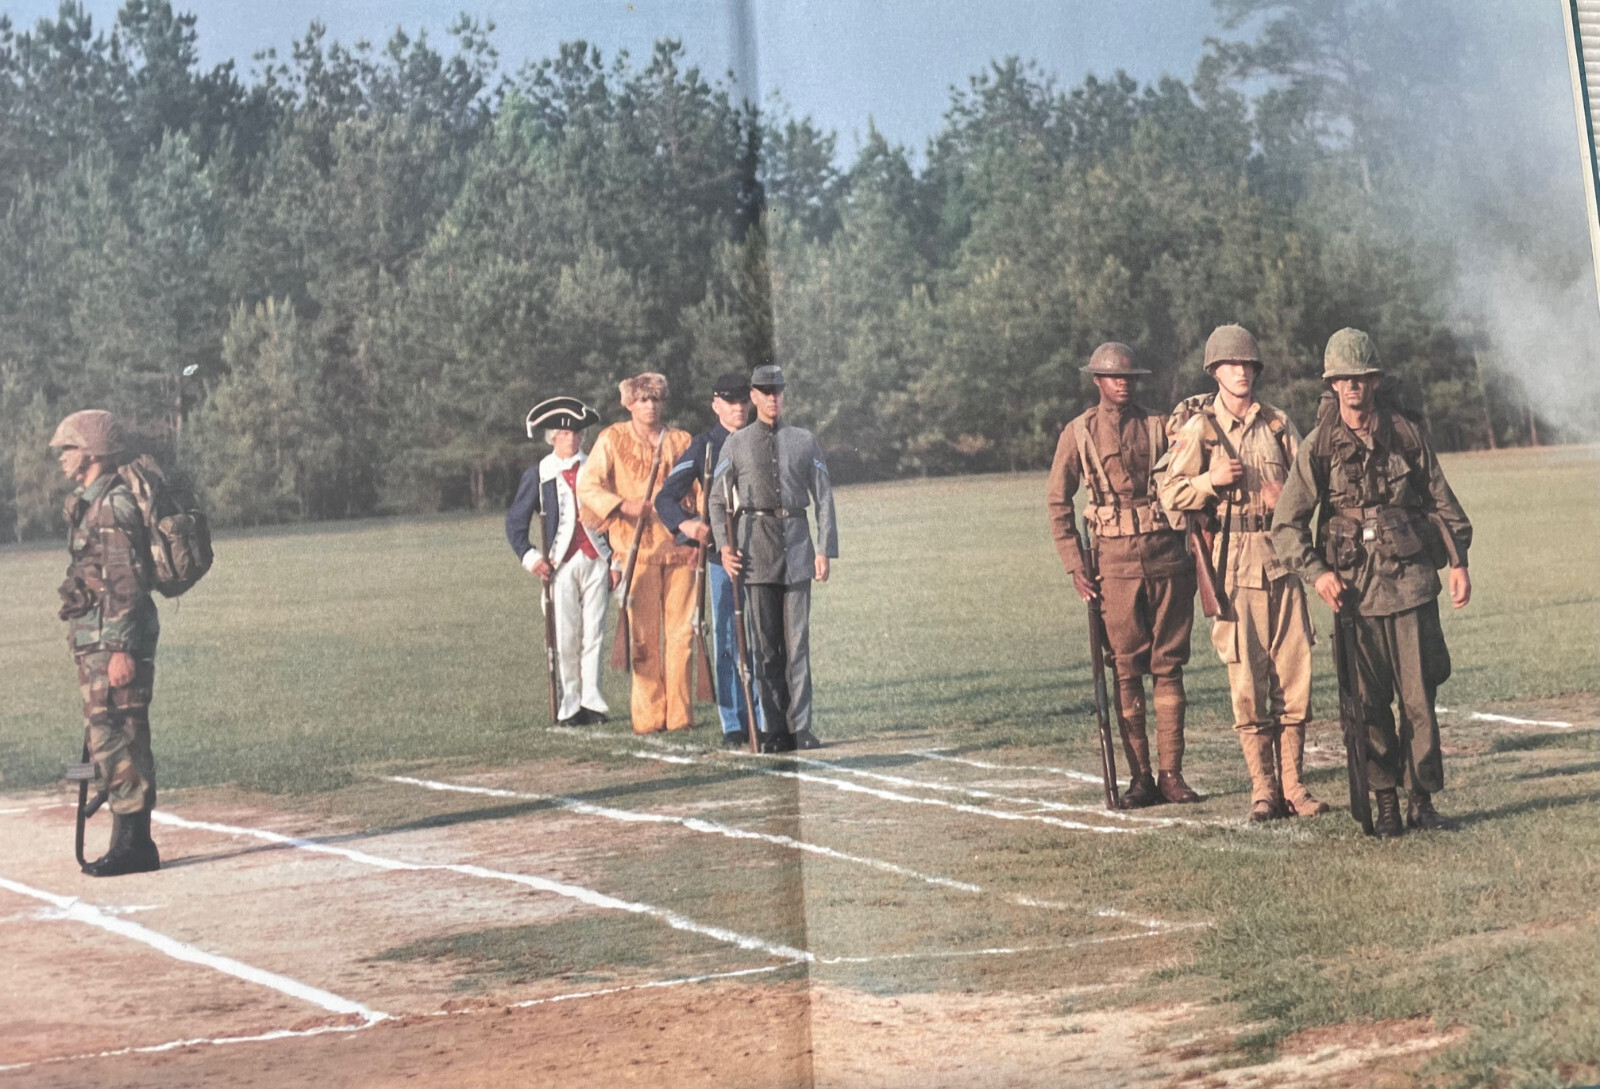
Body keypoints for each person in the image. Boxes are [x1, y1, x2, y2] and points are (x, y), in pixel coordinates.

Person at [1271, 328, 1472, 838]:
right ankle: (1384, 801)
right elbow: (1286, 525)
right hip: (1353, 593)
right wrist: (1318, 576)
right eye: (1343, 379)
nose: (1352, 388)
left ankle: (1420, 800)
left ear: (1376, 381)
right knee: (1367, 703)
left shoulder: (1405, 433)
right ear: (1332, 384)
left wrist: (1459, 564)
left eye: (1361, 378)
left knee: (1419, 700)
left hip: (1410, 584)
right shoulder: (1318, 446)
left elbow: (1441, 502)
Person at [1156, 325, 1327, 821]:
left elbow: (1311, 484)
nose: (1242, 373)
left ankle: (1294, 786)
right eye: (1232, 365)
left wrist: (1286, 499)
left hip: (1283, 563)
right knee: (1248, 685)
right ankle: (1263, 790)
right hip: (1233, 568)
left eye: (1249, 365)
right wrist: (1210, 480)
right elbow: (1169, 496)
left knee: (1295, 679)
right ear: (1214, 371)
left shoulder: (1277, 424)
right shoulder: (1199, 429)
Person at [1047, 342, 1199, 808]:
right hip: (1112, 566)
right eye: (1114, 377)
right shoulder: (1078, 433)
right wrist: (1076, 565)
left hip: (1167, 557)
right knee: (1127, 670)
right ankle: (1141, 778)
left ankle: (1172, 774)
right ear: (1096, 381)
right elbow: (1058, 504)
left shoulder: (1159, 425)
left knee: (1169, 666)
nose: (1123, 384)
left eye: (1130, 377)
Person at [51, 410, 162, 876]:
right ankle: (126, 838)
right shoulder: (91, 503)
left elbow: (126, 581)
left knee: (119, 732)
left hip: (114, 641)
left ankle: (136, 844)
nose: (61, 458)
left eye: (68, 448)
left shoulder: (113, 504)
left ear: (92, 451)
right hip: (97, 639)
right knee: (107, 733)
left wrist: (120, 649)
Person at [708, 364, 838, 753]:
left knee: (797, 644)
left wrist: (824, 549)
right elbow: (717, 499)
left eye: (777, 391)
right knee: (766, 646)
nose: (772, 398)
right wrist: (724, 546)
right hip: (755, 551)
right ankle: (775, 728)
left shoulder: (804, 440)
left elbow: (824, 497)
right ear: (753, 396)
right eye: (764, 392)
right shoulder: (737, 443)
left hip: (797, 547)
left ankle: (801, 727)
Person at [577, 373, 696, 734]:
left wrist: (697, 538)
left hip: (679, 549)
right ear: (629, 403)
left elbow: (700, 488)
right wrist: (624, 505)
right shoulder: (611, 439)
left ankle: (680, 716)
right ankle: (648, 717)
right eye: (642, 400)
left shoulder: (681, 440)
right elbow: (588, 485)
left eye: (656, 399)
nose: (649, 406)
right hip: (636, 554)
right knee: (643, 638)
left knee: (682, 636)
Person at [654, 372, 764, 749]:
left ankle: (766, 717)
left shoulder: (765, 439)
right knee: (729, 641)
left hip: (765, 554)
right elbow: (665, 498)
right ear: (716, 404)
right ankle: (734, 722)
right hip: (722, 556)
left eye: (742, 402)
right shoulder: (703, 446)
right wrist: (688, 526)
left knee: (766, 639)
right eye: (729, 402)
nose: (738, 409)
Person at [506, 396, 617, 726]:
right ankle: (570, 705)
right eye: (565, 433)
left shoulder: (597, 469)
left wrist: (617, 563)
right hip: (560, 565)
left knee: (594, 633)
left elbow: (615, 520)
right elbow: (515, 522)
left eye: (578, 433)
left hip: (598, 558)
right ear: (553, 436)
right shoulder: (540, 474)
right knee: (566, 636)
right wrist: (531, 557)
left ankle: (592, 700)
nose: (572, 439)